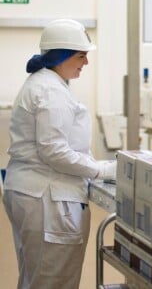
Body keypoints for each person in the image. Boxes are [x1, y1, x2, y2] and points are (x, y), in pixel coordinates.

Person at [2, 19, 117, 289]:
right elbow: (55, 151)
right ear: (61, 55)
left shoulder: (47, 83)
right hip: (48, 199)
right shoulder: (50, 90)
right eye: (81, 56)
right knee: (52, 280)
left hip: (35, 193)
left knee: (37, 276)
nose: (86, 63)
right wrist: (101, 170)